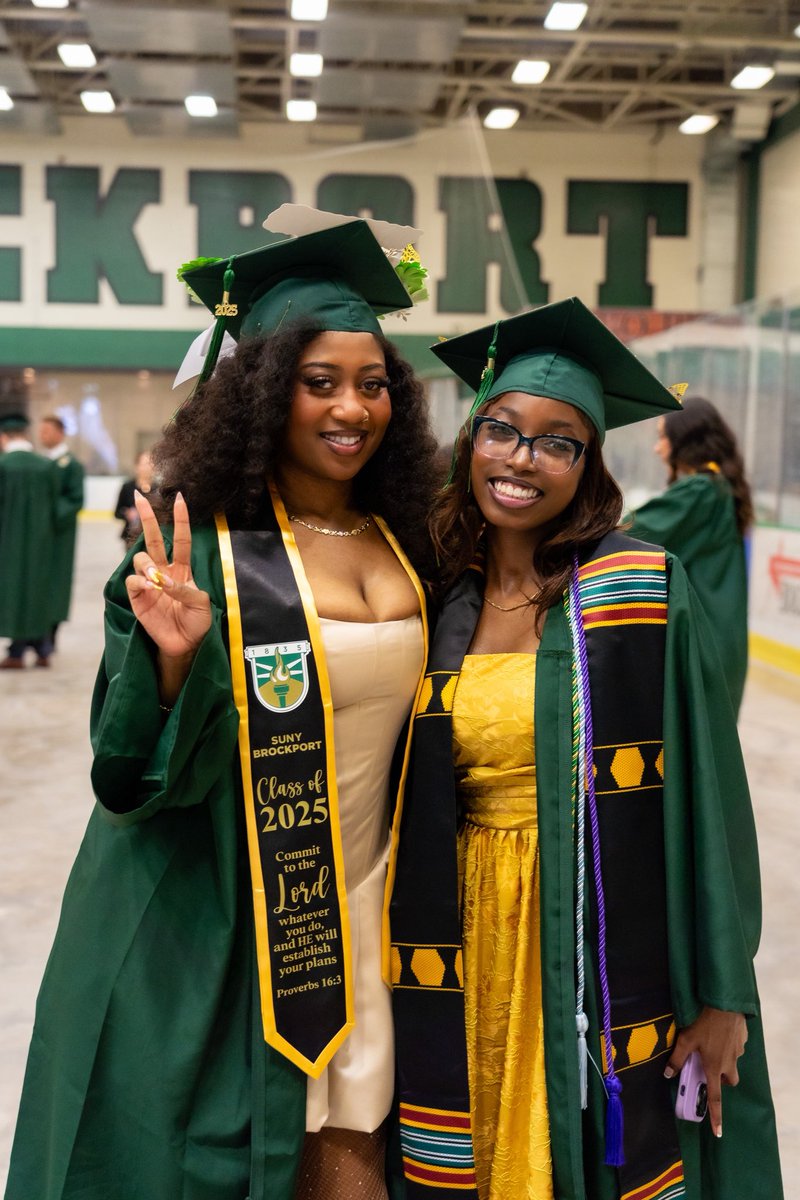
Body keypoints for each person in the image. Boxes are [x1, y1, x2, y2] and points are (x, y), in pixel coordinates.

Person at [6, 216, 440, 1200]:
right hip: (219, 920)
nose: (351, 408)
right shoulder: (195, 554)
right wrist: (174, 664)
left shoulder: (409, 537)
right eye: (319, 381)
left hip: (369, 912)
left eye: (372, 383)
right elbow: (125, 771)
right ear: (264, 390)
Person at [389, 299, 782, 1200]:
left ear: (589, 461)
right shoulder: (434, 590)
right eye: (502, 430)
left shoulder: (637, 589)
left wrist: (724, 991)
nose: (522, 458)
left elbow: (709, 798)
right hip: (461, 924)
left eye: (557, 442)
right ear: (470, 439)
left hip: (587, 924)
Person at [628, 397, 752, 715]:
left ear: (685, 439)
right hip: (721, 645)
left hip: (703, 648)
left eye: (663, 437)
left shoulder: (702, 491)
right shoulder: (720, 487)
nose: (657, 448)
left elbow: (634, 532)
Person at [0, 413, 59, 668]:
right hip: (41, 543)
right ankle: (43, 648)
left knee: (14, 593)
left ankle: (17, 652)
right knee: (37, 591)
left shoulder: (3, 465)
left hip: (8, 544)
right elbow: (55, 505)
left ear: (4, 437)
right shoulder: (46, 466)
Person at [38, 414, 85, 645]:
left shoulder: (71, 465)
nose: (42, 435)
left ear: (60, 433)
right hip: (39, 536)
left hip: (58, 535)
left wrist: (47, 515)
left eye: (46, 431)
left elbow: (75, 499)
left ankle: (50, 635)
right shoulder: (41, 463)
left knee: (55, 583)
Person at [114, 448, 155, 544]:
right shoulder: (127, 487)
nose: (147, 467)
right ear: (136, 466)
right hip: (131, 536)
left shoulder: (159, 489)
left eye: (150, 464)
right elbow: (117, 512)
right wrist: (127, 513)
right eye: (144, 464)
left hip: (153, 535)